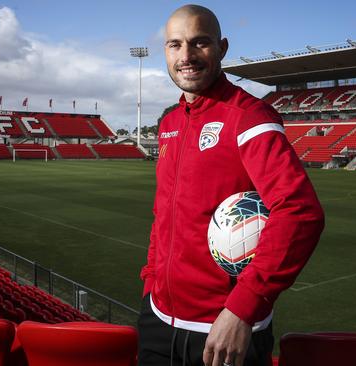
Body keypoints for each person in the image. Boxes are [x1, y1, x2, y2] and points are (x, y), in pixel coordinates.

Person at [138, 5, 325, 366]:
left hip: (223, 331)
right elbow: (163, 213)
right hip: (158, 321)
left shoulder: (250, 118)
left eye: (200, 43)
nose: (186, 56)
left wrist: (242, 309)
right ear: (165, 50)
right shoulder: (170, 122)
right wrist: (151, 281)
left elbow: (300, 213)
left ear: (222, 48)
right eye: (175, 45)